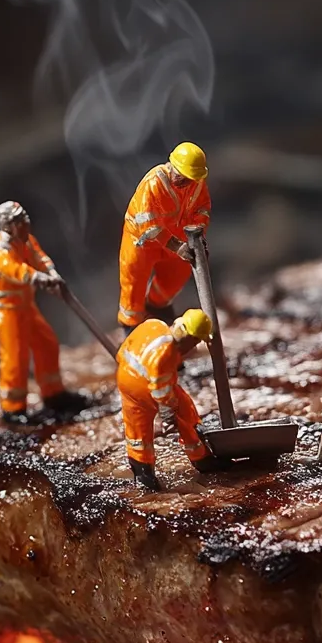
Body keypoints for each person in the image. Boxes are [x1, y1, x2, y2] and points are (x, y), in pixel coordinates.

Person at [0, 201, 88, 422]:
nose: (26, 225)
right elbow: (16, 270)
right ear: (9, 226)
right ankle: (13, 408)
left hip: (25, 306)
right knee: (15, 356)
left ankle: (53, 393)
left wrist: (52, 273)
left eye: (25, 219)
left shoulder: (26, 241)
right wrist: (40, 279)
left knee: (46, 343)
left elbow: (39, 257)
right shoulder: (1, 250)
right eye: (20, 222)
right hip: (7, 311)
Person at [116, 310, 216, 490]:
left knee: (136, 429)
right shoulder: (165, 355)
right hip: (144, 387)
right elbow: (160, 391)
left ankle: (143, 474)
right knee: (182, 410)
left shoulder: (155, 324)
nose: (195, 346)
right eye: (196, 341)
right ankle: (201, 458)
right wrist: (168, 413)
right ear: (189, 338)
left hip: (125, 378)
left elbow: (125, 347)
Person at [118, 142, 211, 335]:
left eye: (190, 178)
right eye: (182, 177)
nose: (186, 182)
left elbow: (202, 208)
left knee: (177, 275)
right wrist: (177, 246)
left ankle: (158, 308)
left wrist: (198, 235)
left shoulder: (196, 183)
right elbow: (148, 224)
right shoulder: (154, 183)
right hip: (142, 241)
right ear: (172, 166)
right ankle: (132, 326)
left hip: (176, 239)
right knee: (133, 282)